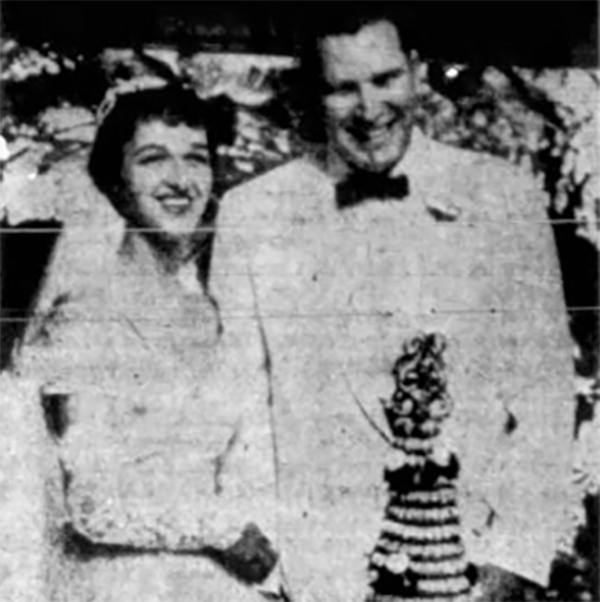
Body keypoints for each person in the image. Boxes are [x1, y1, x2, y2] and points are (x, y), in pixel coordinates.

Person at [211, 6, 575, 602]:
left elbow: (543, 395)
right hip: (316, 573)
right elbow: (238, 404)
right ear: (313, 92)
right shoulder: (255, 213)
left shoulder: (500, 196)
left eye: (385, 79)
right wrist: (269, 570)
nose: (370, 108)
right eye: (342, 88)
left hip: (467, 564)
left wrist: (511, 557)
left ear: (416, 70)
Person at [1, 85, 279, 602]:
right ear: (114, 179)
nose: (180, 181)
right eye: (153, 160)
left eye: (196, 160)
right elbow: (92, 505)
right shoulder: (85, 314)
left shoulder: (214, 308)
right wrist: (223, 531)